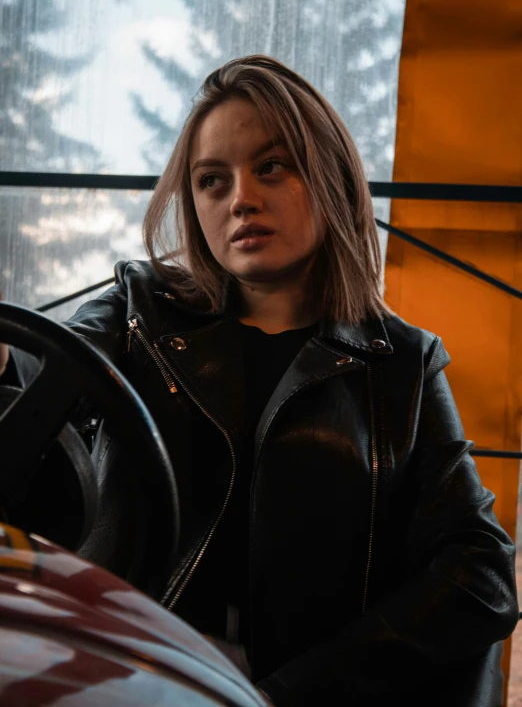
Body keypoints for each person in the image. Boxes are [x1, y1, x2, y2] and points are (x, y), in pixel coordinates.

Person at [0, 55, 518, 706]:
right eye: (212, 180)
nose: (241, 198)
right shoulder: (136, 312)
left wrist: (290, 691)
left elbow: (480, 573)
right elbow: (41, 376)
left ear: (327, 175)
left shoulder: (402, 364)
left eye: (270, 167)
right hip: (128, 685)